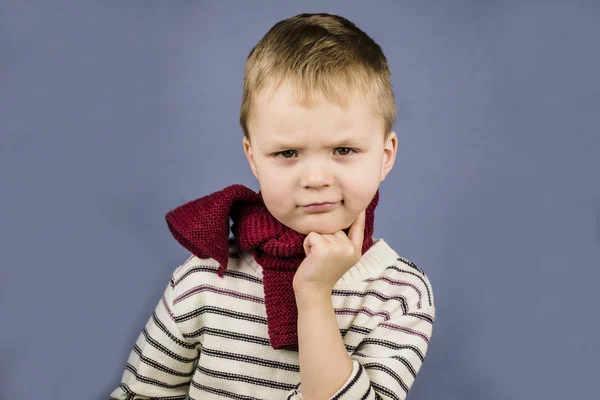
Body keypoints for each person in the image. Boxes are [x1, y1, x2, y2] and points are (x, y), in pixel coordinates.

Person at [110, 12, 435, 400]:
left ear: (385, 155)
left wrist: (314, 294)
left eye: (343, 150)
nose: (315, 178)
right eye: (287, 153)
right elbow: (141, 394)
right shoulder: (206, 274)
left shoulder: (399, 294)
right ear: (253, 158)